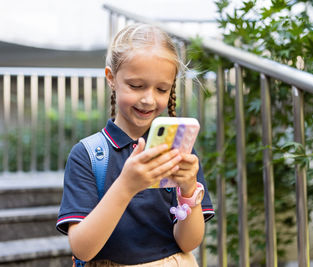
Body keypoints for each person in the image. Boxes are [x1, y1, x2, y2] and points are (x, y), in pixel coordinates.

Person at [56, 23, 214, 266]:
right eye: (136, 86)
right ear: (111, 78)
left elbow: (189, 243)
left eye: (162, 89)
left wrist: (188, 190)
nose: (148, 98)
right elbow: (82, 249)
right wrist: (127, 186)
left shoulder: (178, 150)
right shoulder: (87, 155)